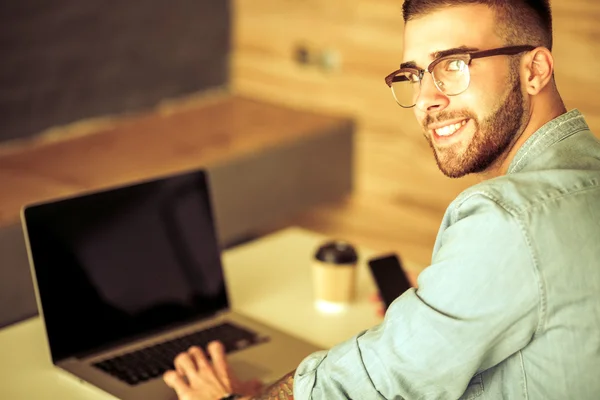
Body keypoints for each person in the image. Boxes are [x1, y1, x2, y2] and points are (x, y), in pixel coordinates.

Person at [162, 0, 600, 398]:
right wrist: (450, 301)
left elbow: (375, 385)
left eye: (452, 64)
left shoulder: (510, 220)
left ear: (535, 70)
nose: (427, 99)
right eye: (415, 74)